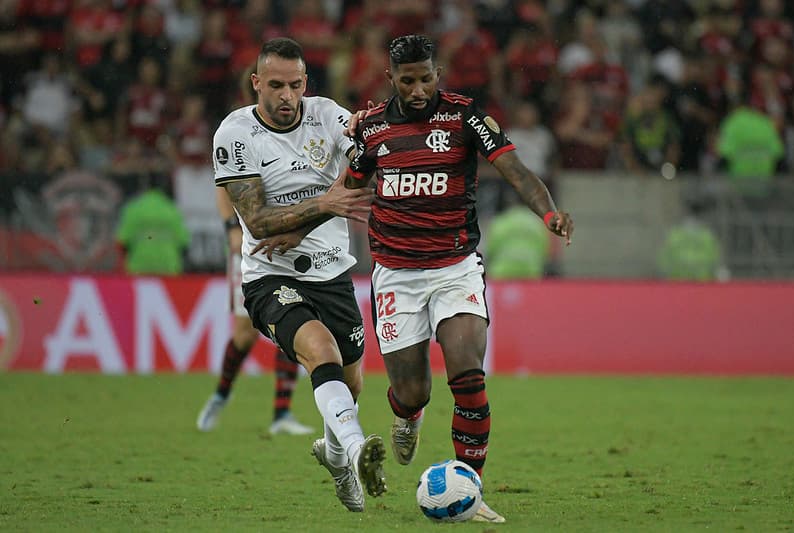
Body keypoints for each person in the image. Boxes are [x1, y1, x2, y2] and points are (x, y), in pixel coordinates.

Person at [344, 35, 574, 524]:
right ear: (391, 79)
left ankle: (469, 488)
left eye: (427, 77)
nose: (419, 88)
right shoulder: (373, 129)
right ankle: (407, 417)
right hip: (396, 274)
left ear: (438, 72)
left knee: (468, 374)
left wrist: (548, 213)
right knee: (413, 392)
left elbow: (516, 171)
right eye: (408, 80)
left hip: (455, 266)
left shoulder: (466, 117)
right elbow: (345, 191)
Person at [211, 37, 385, 513]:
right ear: (256, 84)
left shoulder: (327, 115)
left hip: (331, 272)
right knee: (319, 350)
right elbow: (259, 221)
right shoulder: (235, 133)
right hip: (269, 275)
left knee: (350, 383)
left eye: (294, 85)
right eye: (275, 86)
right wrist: (326, 202)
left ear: (305, 83)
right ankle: (354, 449)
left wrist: (314, 214)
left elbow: (365, 169)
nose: (286, 96)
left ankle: (333, 454)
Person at [195, 187, 314, 436]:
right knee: (244, 335)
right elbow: (222, 184)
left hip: (287, 247)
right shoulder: (239, 148)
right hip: (250, 249)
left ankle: (282, 413)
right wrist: (232, 227)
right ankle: (221, 394)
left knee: (292, 322)